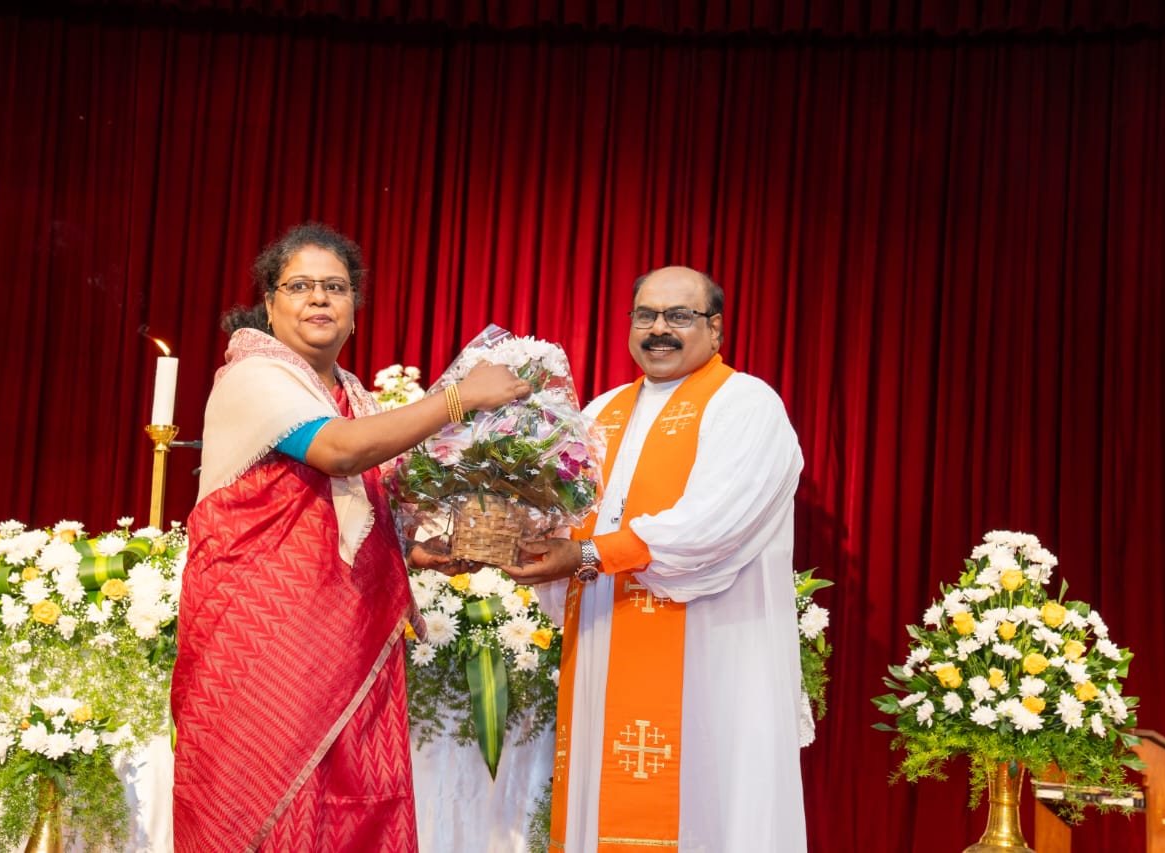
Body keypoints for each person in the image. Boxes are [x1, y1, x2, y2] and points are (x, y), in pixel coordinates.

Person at [170, 222, 530, 852]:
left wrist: (439, 545)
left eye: (335, 287)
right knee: (258, 801)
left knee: (354, 807)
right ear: (269, 304)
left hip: (350, 640)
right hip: (263, 641)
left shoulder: (352, 396)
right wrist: (457, 400)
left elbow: (366, 512)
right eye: (300, 286)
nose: (319, 299)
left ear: (354, 313)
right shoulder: (254, 375)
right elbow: (337, 455)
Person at [505, 266, 808, 852]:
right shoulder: (601, 411)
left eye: (679, 316)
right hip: (603, 643)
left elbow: (712, 524)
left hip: (712, 650)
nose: (659, 330)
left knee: (709, 803)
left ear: (715, 329)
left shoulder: (747, 405)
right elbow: (560, 512)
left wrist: (588, 554)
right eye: (646, 315)